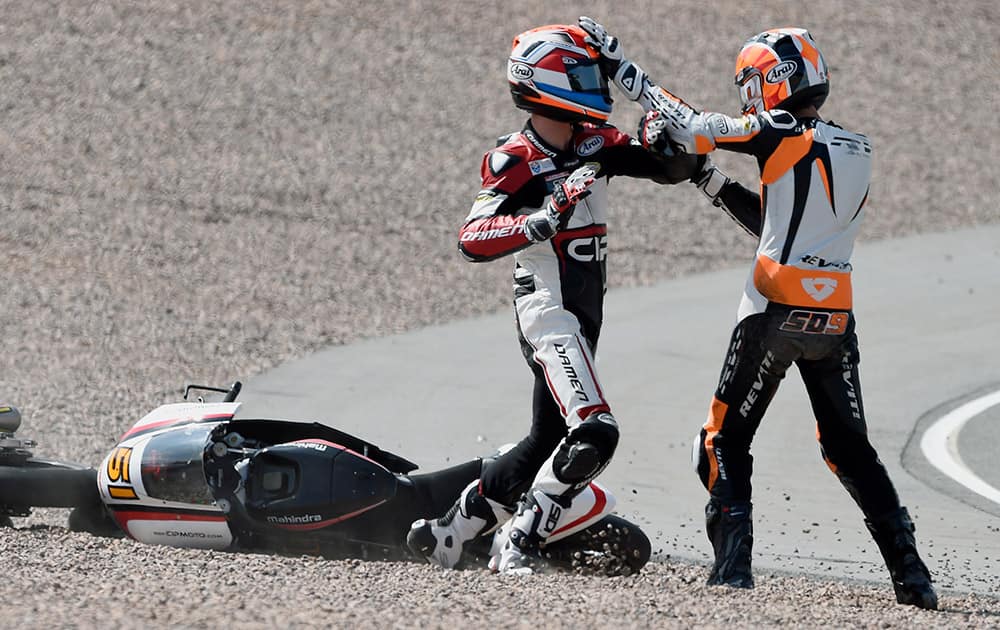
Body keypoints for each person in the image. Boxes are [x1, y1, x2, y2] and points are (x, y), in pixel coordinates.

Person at [577, 17, 937, 609]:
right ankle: (913, 578)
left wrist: (624, 72)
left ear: (773, 81)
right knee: (851, 450)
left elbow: (693, 125)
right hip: (835, 317)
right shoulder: (854, 145)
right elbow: (780, 223)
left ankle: (733, 573)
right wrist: (710, 180)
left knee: (721, 442)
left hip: (771, 309)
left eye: (750, 81)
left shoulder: (778, 127)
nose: (747, 93)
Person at [406, 23, 702, 573]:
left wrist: (638, 86)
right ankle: (519, 544)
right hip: (548, 312)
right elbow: (472, 238)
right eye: (585, 73)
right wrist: (543, 218)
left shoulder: (598, 140)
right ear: (544, 81)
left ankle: (450, 531)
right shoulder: (512, 158)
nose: (596, 83)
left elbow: (679, 163)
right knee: (595, 431)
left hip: (586, 313)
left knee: (545, 437)